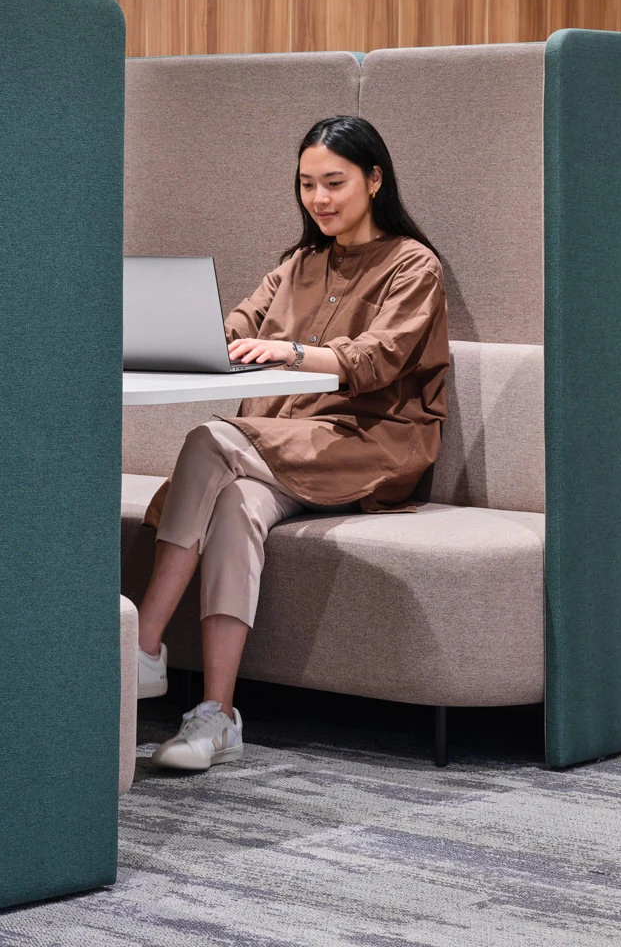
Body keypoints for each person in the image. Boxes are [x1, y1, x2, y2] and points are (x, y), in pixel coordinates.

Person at [134, 115, 448, 771]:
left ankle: (144, 640)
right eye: (307, 184)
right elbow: (242, 320)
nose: (320, 199)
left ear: (375, 179)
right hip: (290, 441)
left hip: (369, 444)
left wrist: (292, 350)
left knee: (208, 440)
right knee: (236, 507)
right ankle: (217, 716)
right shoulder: (298, 264)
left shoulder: (412, 265)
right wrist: (198, 333)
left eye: (334, 182)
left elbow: (375, 362)